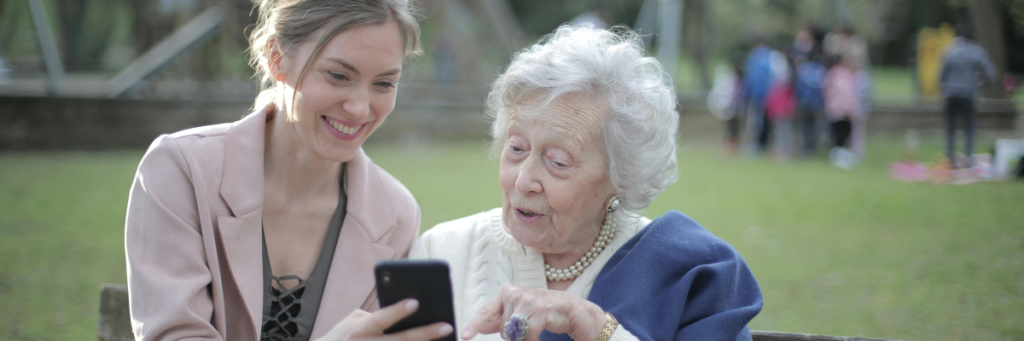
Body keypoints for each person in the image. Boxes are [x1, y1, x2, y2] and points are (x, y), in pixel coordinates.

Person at [124, 1, 454, 340]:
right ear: (277, 59)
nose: (359, 108)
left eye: (384, 83)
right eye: (339, 75)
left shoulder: (396, 216)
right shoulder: (180, 170)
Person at [410, 25, 763, 341]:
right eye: (516, 148)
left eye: (558, 162)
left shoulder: (685, 273)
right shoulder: (440, 253)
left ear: (621, 177)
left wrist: (595, 328)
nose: (524, 180)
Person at [939, 24, 999, 167]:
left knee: (950, 127)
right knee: (970, 126)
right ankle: (968, 157)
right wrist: (982, 84)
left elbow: (941, 76)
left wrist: (945, 88)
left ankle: (950, 157)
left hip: (950, 94)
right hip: (968, 94)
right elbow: (992, 74)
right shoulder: (977, 52)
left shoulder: (949, 50)